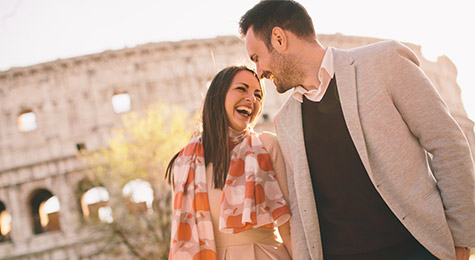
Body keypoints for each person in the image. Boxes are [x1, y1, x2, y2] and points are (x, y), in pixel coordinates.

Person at [239, 1, 475, 260]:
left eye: (257, 57)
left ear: (279, 38)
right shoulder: (284, 120)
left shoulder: (384, 62)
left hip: (417, 250)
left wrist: (462, 240)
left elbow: (447, 144)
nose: (259, 72)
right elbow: (301, 207)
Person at [166, 65, 292, 260]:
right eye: (242, 89)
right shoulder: (183, 163)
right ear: (218, 95)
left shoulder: (267, 145)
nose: (252, 99)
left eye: (258, 95)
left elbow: (290, 228)